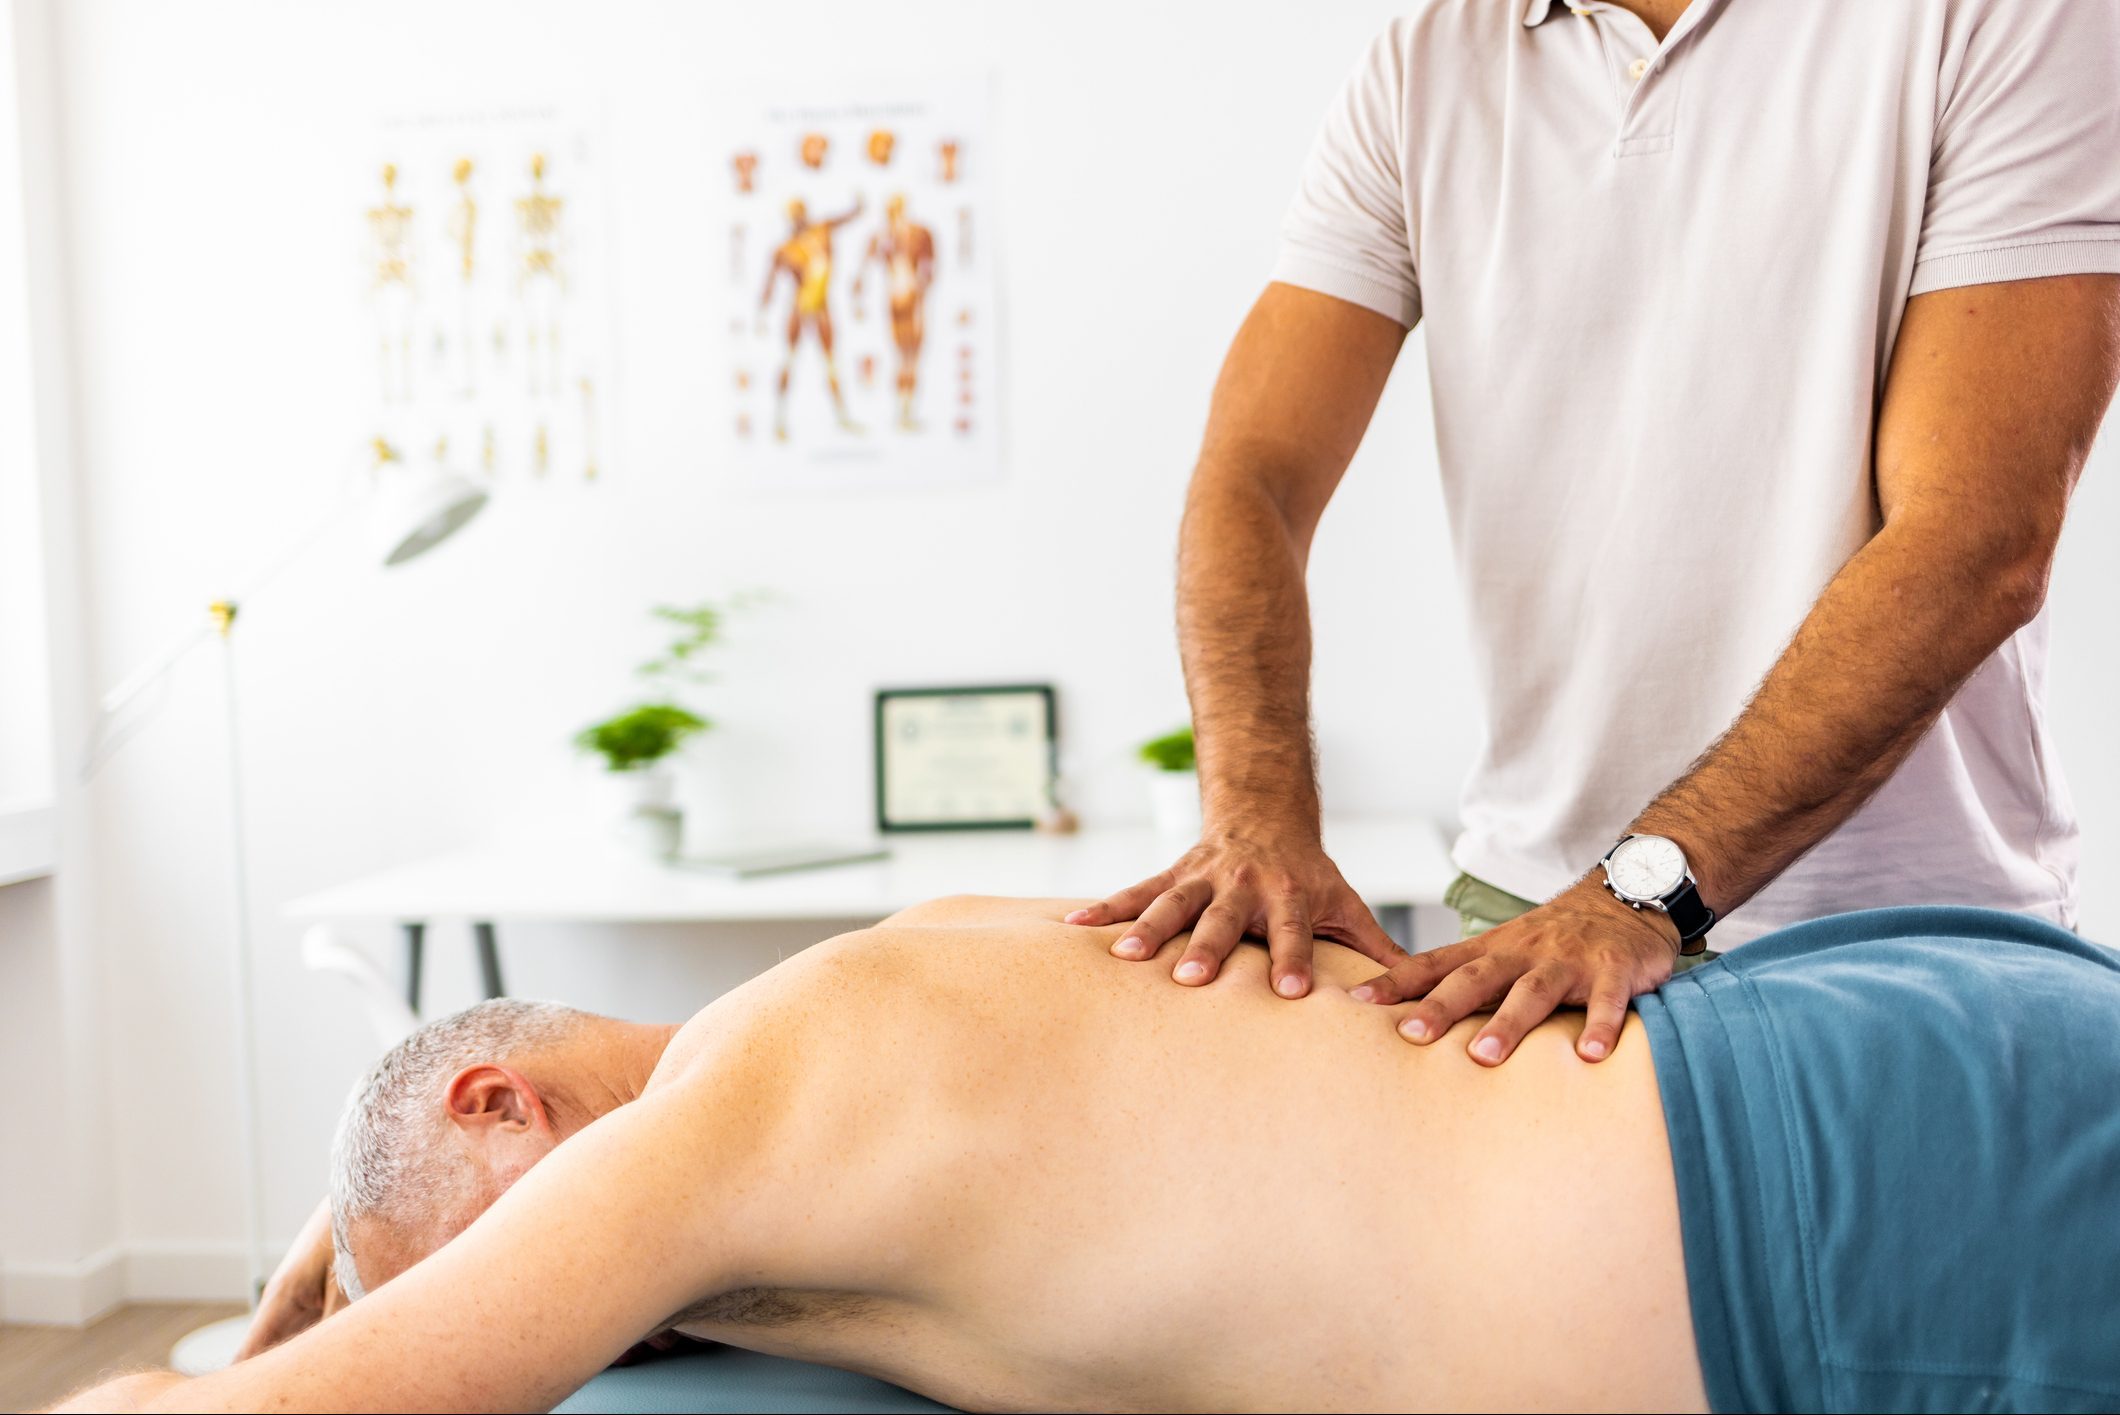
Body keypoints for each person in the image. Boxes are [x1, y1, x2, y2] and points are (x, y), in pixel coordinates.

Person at [1066, 0, 2120, 1066]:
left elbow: (1977, 539)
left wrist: (1638, 890)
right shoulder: (1425, 60)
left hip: (1895, 938)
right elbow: (1255, 473)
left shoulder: (2004, 18)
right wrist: (1255, 814)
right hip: (1532, 927)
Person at [54, 895, 2120, 1413]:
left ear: (510, 1108)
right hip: (1860, 1069)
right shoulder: (879, 979)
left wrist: (252, 1349)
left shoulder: (734, 1113)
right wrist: (370, 1205)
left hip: (1839, 1202)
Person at [758, 195, 865, 439]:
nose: (798, 219)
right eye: (793, 215)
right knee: (789, 359)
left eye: (800, 213)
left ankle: (842, 416)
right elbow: (769, 284)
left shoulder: (821, 231)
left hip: (821, 305)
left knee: (830, 362)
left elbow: (845, 218)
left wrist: (858, 206)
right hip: (800, 305)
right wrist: (762, 315)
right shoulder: (785, 250)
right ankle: (779, 419)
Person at [852, 193, 936, 430]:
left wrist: (920, 288)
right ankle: (903, 412)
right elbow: (864, 268)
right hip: (898, 299)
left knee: (912, 356)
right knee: (904, 357)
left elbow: (928, 267)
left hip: (911, 296)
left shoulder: (919, 234)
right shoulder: (883, 237)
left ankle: (906, 410)